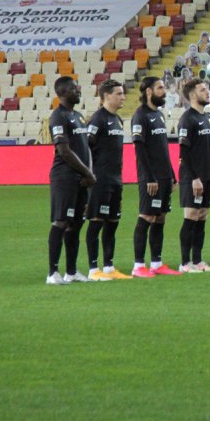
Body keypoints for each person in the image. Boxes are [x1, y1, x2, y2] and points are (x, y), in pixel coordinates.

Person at [46, 76, 96, 285]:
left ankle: (72, 271)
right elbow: (64, 151)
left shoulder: (78, 116)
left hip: (82, 178)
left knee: (76, 224)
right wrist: (87, 173)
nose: (78, 90)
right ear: (64, 92)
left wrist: (88, 173)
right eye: (75, 88)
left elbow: (86, 149)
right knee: (61, 221)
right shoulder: (58, 117)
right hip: (65, 177)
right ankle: (53, 273)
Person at [131, 77, 180, 278]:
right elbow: (140, 149)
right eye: (160, 88)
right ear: (149, 91)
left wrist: (172, 175)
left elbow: (163, 149)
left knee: (160, 217)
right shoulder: (140, 116)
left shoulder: (158, 115)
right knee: (146, 216)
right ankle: (138, 265)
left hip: (164, 177)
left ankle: (157, 263)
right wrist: (149, 177)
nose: (164, 91)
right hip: (150, 177)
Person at [84, 79, 129, 281]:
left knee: (112, 222)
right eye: (118, 94)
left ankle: (109, 267)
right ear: (106, 96)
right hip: (100, 180)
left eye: (123, 93)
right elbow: (86, 148)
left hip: (115, 179)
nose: (123, 97)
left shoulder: (118, 120)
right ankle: (94, 270)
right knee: (96, 222)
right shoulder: (97, 120)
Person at [177, 78, 210, 273]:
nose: (208, 92)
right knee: (191, 215)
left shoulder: (207, 118)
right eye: (203, 90)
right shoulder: (188, 119)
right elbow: (184, 151)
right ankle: (185, 263)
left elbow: (208, 151)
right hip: (191, 175)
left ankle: (198, 261)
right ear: (193, 95)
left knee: (202, 216)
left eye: (207, 89)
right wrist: (194, 177)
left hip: (207, 174)